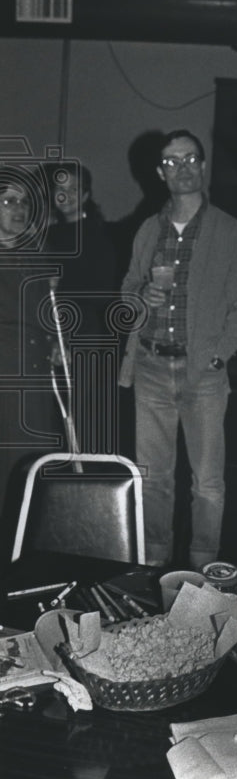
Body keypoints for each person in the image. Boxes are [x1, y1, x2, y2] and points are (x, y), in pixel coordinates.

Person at [119, 129, 237, 569]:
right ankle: (154, 571)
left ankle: (203, 576)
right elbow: (126, 293)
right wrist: (142, 297)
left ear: (202, 165)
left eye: (189, 158)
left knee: (208, 484)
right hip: (151, 368)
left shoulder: (228, 230)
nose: (181, 168)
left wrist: (218, 355)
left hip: (203, 374)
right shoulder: (147, 230)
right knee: (152, 480)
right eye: (171, 161)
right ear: (160, 172)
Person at [0, 174, 59, 565]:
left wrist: (56, 339)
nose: (18, 209)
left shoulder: (34, 252)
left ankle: (28, 558)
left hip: (35, 377)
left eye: (23, 203)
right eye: (8, 202)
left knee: (36, 464)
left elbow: (47, 313)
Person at [48, 164, 118, 337]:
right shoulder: (48, 234)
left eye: (73, 189)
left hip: (82, 328)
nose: (65, 195)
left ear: (85, 195)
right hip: (49, 325)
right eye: (60, 188)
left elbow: (104, 293)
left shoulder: (99, 235)